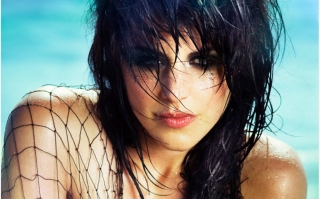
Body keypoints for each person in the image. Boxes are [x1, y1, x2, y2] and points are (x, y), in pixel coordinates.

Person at [1, 0, 307, 198]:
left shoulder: (269, 176)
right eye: (148, 60)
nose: (173, 91)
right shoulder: (53, 130)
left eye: (204, 61)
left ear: (243, 66)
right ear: (115, 60)